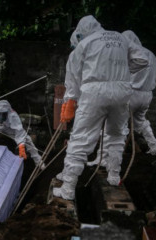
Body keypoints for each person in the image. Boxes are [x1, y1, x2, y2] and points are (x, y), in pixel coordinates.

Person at [54, 15, 149, 200]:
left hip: (94, 92)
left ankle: (68, 187)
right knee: (116, 135)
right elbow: (143, 59)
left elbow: (72, 77)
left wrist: (70, 100)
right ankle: (114, 176)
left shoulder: (85, 44)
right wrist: (122, 72)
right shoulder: (121, 38)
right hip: (122, 91)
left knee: (81, 139)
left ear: (82, 32)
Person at [88, 30, 156, 169]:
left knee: (112, 127)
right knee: (140, 121)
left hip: (130, 94)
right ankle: (154, 146)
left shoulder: (129, 53)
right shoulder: (152, 55)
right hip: (147, 95)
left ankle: (103, 159)